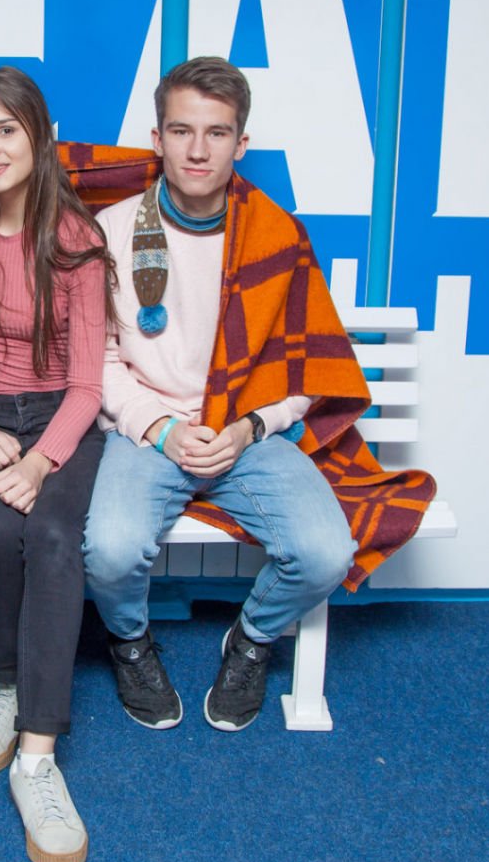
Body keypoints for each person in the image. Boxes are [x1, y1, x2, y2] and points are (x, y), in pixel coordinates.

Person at [82, 56, 433, 733]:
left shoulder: (277, 234)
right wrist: (159, 428)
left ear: (241, 143)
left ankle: (250, 641)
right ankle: (130, 642)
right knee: (110, 550)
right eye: (181, 130)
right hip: (150, 431)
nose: (197, 149)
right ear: (156, 138)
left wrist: (248, 427)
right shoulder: (110, 230)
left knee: (327, 551)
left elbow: (302, 371)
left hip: (245, 432)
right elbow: (95, 359)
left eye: (216, 133)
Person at [0, 67, 112, 862]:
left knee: (49, 535)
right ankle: (6, 683)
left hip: (60, 419)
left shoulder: (77, 239)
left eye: (5, 130)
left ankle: (37, 758)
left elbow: (87, 385)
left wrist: (43, 460)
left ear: (41, 137)